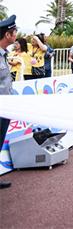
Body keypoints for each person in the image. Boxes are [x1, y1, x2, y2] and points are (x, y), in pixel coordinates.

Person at [0, 15, 20, 188]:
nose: (16, 35)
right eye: (15, 32)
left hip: (6, 107)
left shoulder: (4, 54)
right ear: (7, 35)